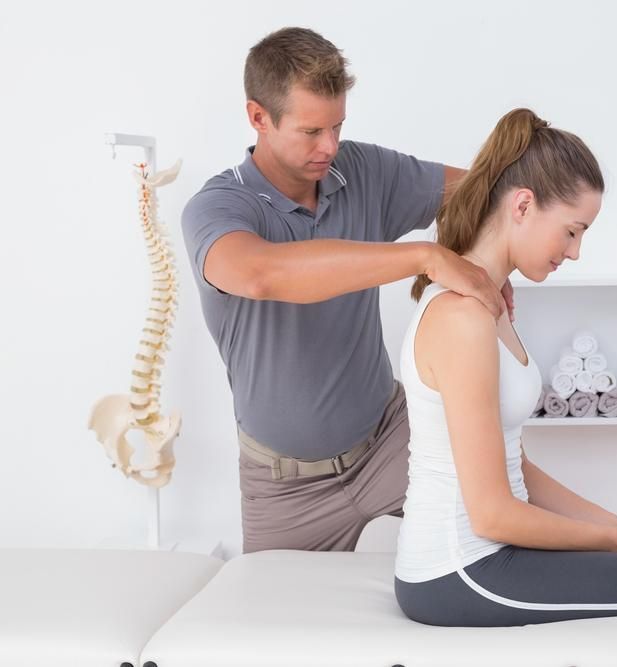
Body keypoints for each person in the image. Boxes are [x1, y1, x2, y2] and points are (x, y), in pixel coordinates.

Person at [394, 108, 617, 666]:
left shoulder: (491, 304)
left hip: (489, 554)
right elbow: (491, 514)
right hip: (459, 569)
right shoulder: (462, 318)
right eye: (572, 230)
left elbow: (517, 468)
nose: (575, 251)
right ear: (522, 205)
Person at [180, 26, 514, 554]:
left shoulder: (360, 169)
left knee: (514, 516)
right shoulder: (218, 207)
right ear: (258, 117)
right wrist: (426, 257)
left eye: (337, 126)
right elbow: (262, 274)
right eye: (311, 131)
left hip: (391, 443)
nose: (329, 147)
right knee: (274, 633)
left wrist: (494, 260)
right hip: (284, 487)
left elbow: (488, 196)